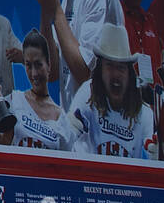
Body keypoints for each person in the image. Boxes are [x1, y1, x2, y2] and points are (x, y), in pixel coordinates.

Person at [66, 22, 156, 159]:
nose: (115, 74)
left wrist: (155, 152)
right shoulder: (88, 92)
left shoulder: (144, 112)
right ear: (100, 71)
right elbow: (71, 132)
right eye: (109, 66)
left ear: (129, 75)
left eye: (121, 68)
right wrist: (71, 128)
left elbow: (152, 148)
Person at [0, 31, 73, 150]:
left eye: (38, 65)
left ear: (49, 65)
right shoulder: (13, 100)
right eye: (28, 65)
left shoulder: (61, 119)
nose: (34, 73)